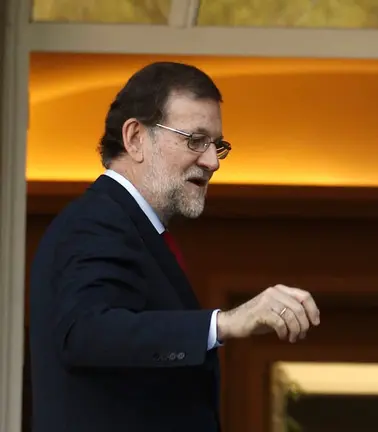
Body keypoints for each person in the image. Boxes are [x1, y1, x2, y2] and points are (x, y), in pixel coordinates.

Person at [28, 61, 321, 432]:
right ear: (135, 139)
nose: (212, 161)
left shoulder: (129, 226)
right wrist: (224, 323)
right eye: (195, 140)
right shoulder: (96, 221)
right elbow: (86, 332)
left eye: (218, 145)